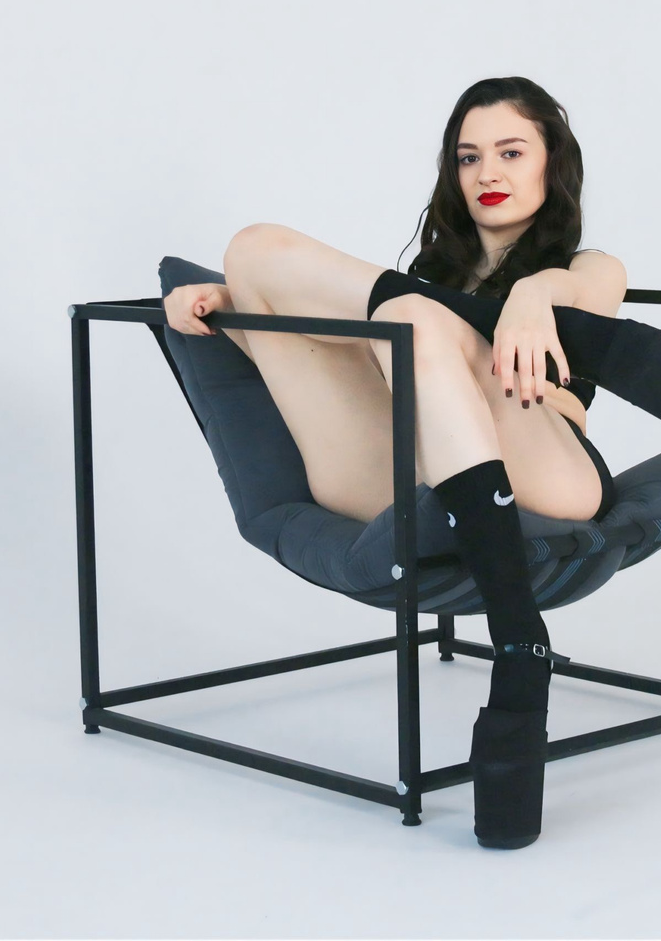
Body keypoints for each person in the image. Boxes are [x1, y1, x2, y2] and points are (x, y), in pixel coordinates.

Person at [161, 76, 627, 850]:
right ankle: (249, 287)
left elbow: (584, 289)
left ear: (553, 162)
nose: (487, 172)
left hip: (551, 469)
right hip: (416, 466)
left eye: (512, 152)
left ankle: (519, 640)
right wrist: (229, 303)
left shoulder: (587, 267)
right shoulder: (430, 286)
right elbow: (326, 359)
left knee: (409, 314)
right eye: (469, 156)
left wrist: (532, 294)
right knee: (253, 248)